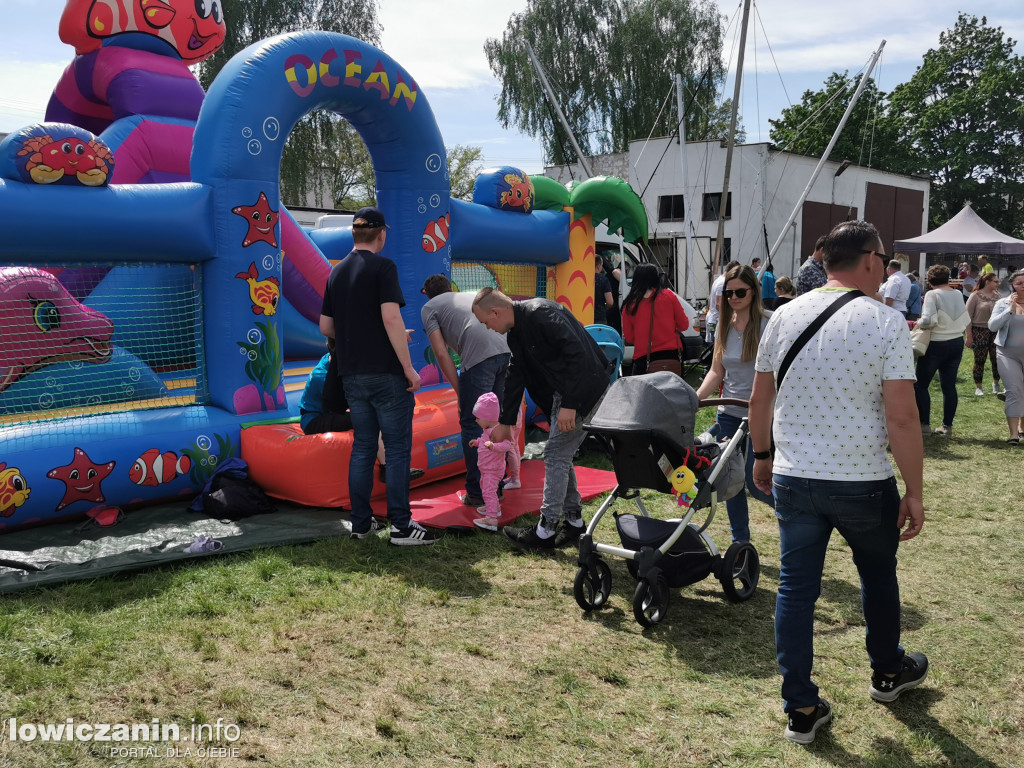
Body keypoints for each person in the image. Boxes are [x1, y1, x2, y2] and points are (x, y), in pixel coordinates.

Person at [748, 220, 927, 745]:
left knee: (796, 589)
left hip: (795, 476)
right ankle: (888, 671)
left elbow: (761, 399)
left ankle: (801, 705)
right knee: (876, 575)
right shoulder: (885, 322)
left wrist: (762, 455)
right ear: (871, 259)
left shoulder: (782, 315)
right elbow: (902, 418)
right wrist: (914, 489)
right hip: (861, 479)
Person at [319, 206, 438, 546]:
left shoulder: (336, 272)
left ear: (354, 234)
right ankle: (401, 526)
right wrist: (408, 368)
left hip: (351, 375)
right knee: (398, 449)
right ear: (381, 234)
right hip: (385, 374)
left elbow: (326, 326)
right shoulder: (384, 267)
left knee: (364, 447)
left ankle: (361, 524)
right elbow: (390, 319)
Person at [472, 288, 610, 551]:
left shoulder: (541, 314)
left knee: (556, 454)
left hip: (584, 390)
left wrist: (571, 403)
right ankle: (574, 521)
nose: (487, 328)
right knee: (560, 454)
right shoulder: (517, 331)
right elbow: (516, 374)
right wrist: (504, 421)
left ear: (495, 312)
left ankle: (545, 531)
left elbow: (578, 354)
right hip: (566, 393)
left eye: (486, 322)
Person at [694, 265, 773, 543]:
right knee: (731, 480)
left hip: (761, 415)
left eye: (740, 291)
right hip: (728, 412)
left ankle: (798, 517)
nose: (734, 297)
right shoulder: (723, 329)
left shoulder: (769, 324)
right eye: (729, 293)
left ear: (754, 292)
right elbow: (717, 371)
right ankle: (740, 542)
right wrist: (696, 398)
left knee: (755, 480)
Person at [420, 274, 512, 507]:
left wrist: (460, 390)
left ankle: (478, 493)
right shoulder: (467, 294)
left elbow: (441, 353)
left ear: (426, 294)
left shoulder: (429, 307)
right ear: (449, 288)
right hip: (504, 349)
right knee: (495, 420)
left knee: (473, 423)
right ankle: (496, 486)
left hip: (480, 357)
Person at [299, 339, 423, 482]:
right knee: (368, 419)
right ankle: (387, 468)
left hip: (329, 413)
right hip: (314, 420)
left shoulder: (331, 361)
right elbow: (345, 400)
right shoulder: (323, 376)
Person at [914, 265, 969, 437]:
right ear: (948, 279)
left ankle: (924, 425)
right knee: (949, 386)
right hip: (956, 342)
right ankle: (947, 426)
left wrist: (917, 321)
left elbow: (928, 320)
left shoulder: (932, 294)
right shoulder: (958, 294)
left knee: (921, 385)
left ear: (929, 281)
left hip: (937, 343)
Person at [621, 264, 690, 375]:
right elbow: (684, 325)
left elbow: (629, 338)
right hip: (671, 355)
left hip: (643, 358)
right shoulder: (668, 296)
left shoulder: (629, 304)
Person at [468, 392, 515, 531]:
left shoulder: (498, 430)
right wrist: (477, 442)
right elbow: (484, 442)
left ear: (487, 418)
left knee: (488, 491)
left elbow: (508, 445)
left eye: (478, 418)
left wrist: (494, 446)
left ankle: (491, 519)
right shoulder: (487, 429)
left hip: (493, 469)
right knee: (486, 489)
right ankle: (494, 508)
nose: (476, 421)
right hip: (486, 468)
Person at [988, 269, 1024, 445]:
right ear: (1012, 285)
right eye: (1019, 283)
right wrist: (1010, 309)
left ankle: (1023, 428)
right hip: (1007, 353)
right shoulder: (1003, 303)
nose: (1023, 286)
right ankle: (1013, 435)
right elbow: (992, 326)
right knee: (1014, 390)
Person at [965, 272, 1003, 397]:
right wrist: (969, 336)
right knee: (979, 360)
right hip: (979, 330)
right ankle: (979, 387)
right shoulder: (975, 296)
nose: (998, 283)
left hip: (995, 331)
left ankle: (996, 383)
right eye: (996, 281)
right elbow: (967, 317)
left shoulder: (998, 296)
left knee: (996, 359)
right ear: (987, 282)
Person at [705, 260, 740, 343]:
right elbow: (719, 305)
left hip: (713, 320)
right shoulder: (722, 283)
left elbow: (711, 300)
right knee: (718, 348)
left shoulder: (718, 280)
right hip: (717, 321)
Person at [593, 255, 615, 326]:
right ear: (599, 265)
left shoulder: (584, 278)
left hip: (584, 315)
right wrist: (604, 306)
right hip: (599, 317)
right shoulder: (603, 280)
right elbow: (610, 301)